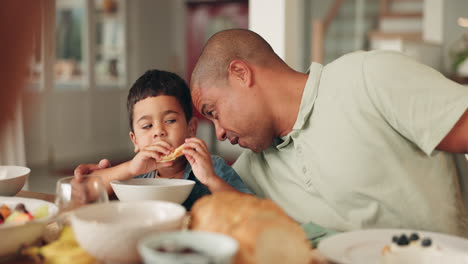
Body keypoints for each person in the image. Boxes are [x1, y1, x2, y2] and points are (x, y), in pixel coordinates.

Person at [78, 29, 468, 236]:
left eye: (213, 112)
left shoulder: (367, 78)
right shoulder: (251, 168)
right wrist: (99, 182)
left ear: (241, 74)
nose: (219, 131)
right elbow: (209, 203)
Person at [79, 69, 251, 210]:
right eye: (147, 126)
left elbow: (249, 210)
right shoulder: (137, 174)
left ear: (191, 129)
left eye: (170, 121)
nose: (159, 132)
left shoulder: (212, 167)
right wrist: (130, 169)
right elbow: (83, 191)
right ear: (135, 140)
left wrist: (211, 179)